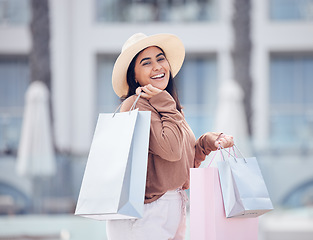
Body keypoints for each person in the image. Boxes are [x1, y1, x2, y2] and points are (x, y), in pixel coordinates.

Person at [107, 33, 234, 240]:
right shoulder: (136, 105)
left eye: (160, 58)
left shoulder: (168, 108)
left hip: (173, 206)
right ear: (135, 76)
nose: (157, 66)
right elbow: (171, 150)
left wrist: (205, 144)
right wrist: (166, 103)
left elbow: (182, 163)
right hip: (146, 211)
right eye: (146, 63)